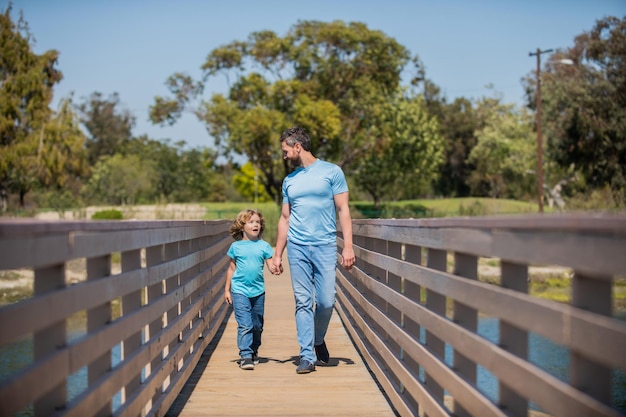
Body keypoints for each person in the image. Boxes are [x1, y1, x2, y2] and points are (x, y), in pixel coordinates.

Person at [271, 126, 356, 374]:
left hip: (326, 246)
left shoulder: (332, 172)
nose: (284, 155)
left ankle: (317, 339)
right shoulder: (290, 180)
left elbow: (344, 210)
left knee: (327, 302)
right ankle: (306, 356)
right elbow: (285, 218)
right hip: (297, 247)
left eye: (286, 150)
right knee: (303, 302)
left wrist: (348, 246)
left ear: (298, 146)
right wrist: (278, 254)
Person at [225, 209, 276, 370]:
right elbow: (231, 269)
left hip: (258, 291)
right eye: (251, 222)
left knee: (256, 325)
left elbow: (271, 266)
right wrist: (227, 290)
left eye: (258, 222)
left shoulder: (264, 246)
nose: (255, 225)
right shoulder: (236, 247)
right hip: (239, 290)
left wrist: (276, 268)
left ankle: (254, 350)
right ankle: (245, 355)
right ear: (242, 226)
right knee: (245, 324)